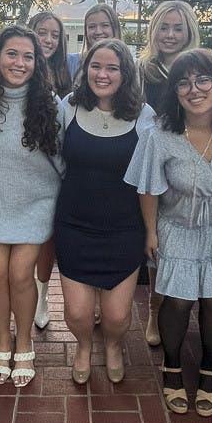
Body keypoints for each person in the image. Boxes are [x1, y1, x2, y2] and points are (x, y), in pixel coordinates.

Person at [125, 48, 212, 417]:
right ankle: (171, 366)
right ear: (174, 90)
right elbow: (148, 186)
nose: (194, 89)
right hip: (176, 225)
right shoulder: (160, 133)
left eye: (203, 79)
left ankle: (210, 366)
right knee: (178, 300)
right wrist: (150, 232)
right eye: (183, 82)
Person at [0, 25, 63, 387]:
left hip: (36, 201)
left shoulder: (49, 103)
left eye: (28, 57)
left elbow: (62, 159)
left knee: (21, 274)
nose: (20, 63)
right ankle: (2, 340)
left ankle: (25, 341)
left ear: (38, 62)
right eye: (12, 54)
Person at [56, 39, 155, 384]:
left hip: (123, 228)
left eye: (112, 68)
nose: (103, 74)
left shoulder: (145, 116)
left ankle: (113, 345)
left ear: (125, 74)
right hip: (74, 223)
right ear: (85, 71)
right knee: (78, 312)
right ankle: (83, 346)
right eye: (96, 66)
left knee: (116, 315)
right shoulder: (68, 106)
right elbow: (54, 160)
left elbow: (149, 179)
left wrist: (150, 230)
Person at [136, 0, 201, 347]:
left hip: (192, 161)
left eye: (178, 27)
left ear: (189, 30)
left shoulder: (199, 67)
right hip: (153, 161)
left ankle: (187, 306)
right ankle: (154, 309)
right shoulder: (142, 70)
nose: (170, 34)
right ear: (154, 30)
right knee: (156, 238)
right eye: (164, 27)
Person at [28, 11, 73, 329]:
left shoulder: (66, 74)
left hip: (59, 166)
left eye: (54, 35)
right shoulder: (20, 69)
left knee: (48, 238)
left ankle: (42, 296)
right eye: (42, 32)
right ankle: (27, 294)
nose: (48, 39)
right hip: (25, 168)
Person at [66, 3, 122, 79]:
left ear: (115, 28)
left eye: (105, 25)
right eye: (92, 27)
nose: (98, 31)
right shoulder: (70, 62)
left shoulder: (126, 64)